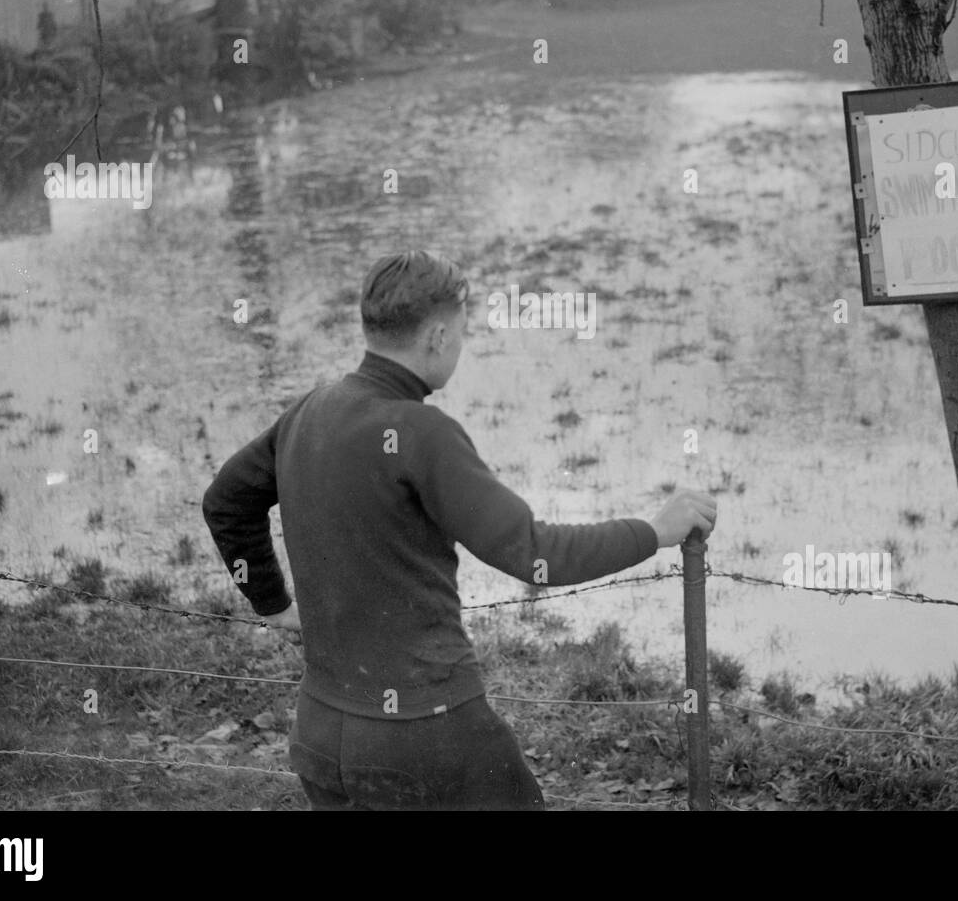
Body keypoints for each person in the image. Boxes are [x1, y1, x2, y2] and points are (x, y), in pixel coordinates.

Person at [202, 250, 718, 810]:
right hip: (432, 733)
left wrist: (273, 603)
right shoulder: (423, 433)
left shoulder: (310, 411)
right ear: (438, 335)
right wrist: (654, 530)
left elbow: (225, 502)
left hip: (322, 731)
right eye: (463, 333)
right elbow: (536, 554)